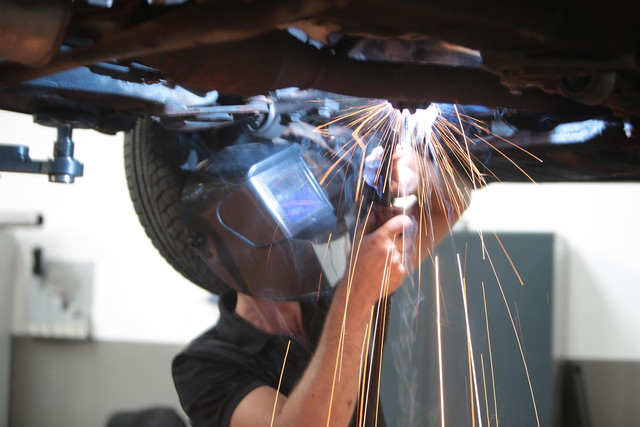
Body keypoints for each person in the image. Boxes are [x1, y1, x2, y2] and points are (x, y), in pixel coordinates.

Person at [172, 144, 467, 427]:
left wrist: (419, 172)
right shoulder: (203, 365)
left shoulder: (326, 303)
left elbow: (453, 203)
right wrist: (355, 299)